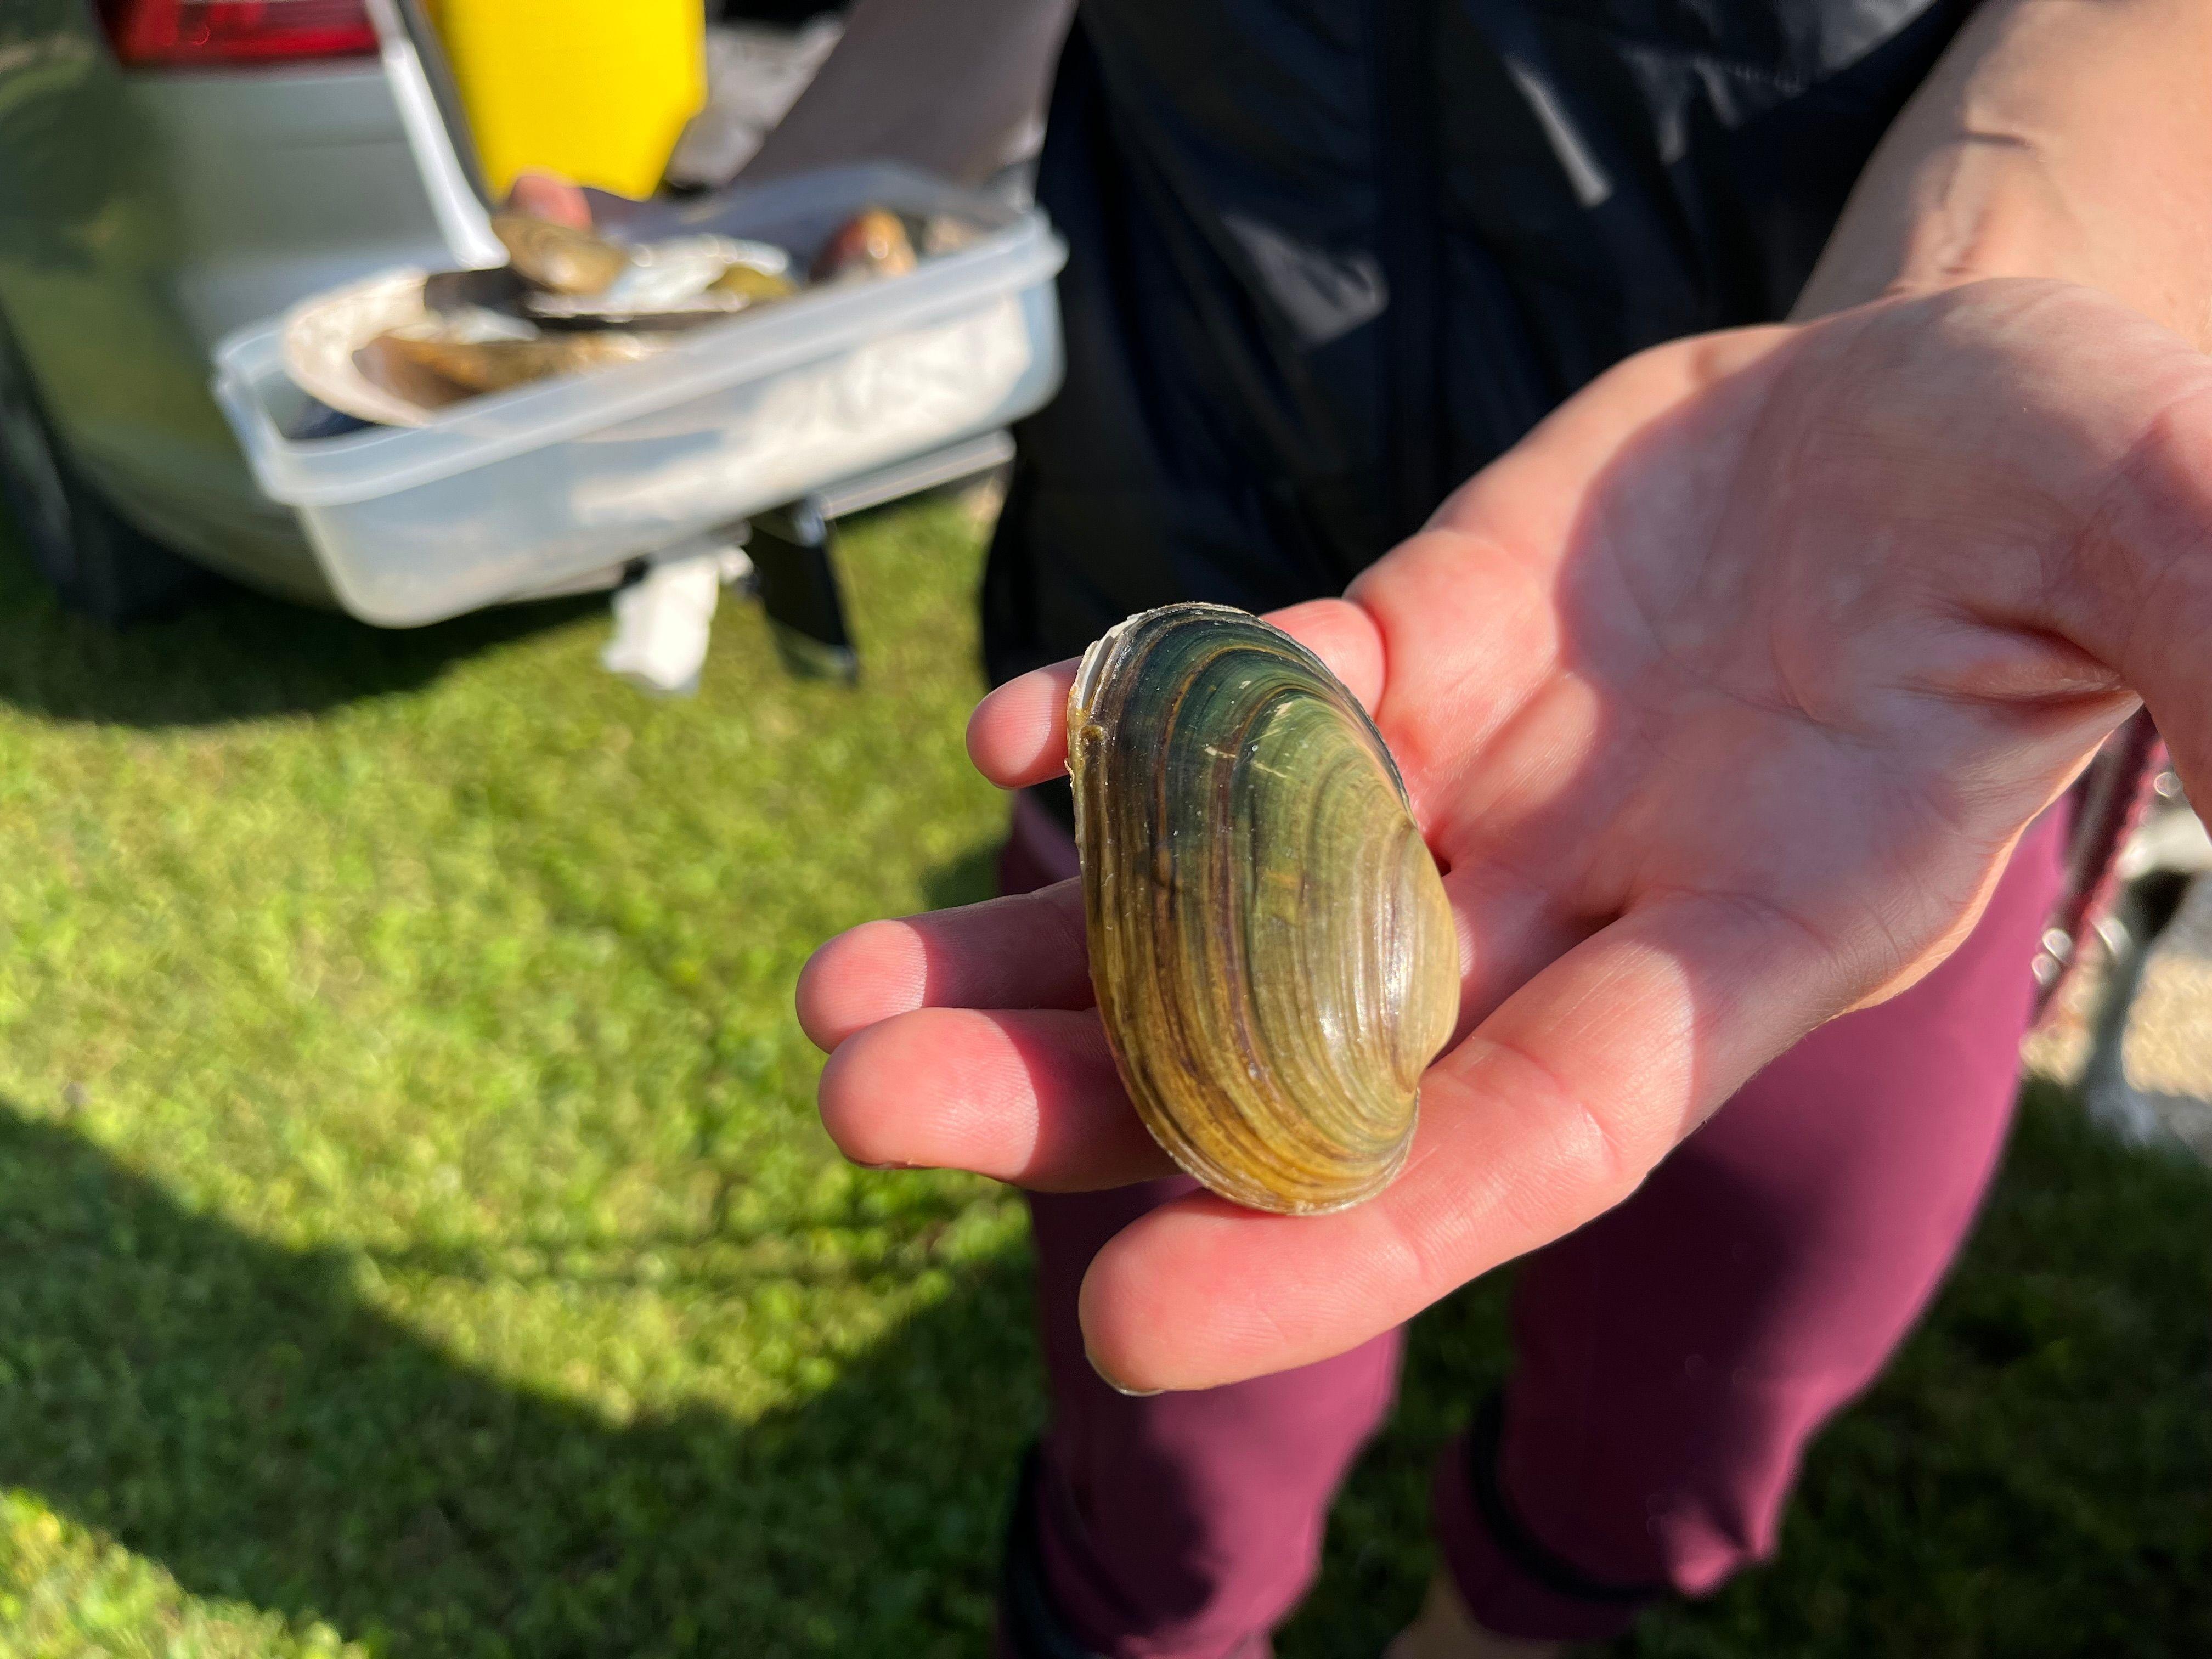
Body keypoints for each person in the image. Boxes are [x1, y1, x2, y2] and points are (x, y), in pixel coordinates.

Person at [490, 0, 2211, 1651]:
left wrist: (1944, 302)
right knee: (1181, 1415)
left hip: (1819, 677)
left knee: (1701, 1387)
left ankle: (1512, 1630)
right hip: (1191, 537)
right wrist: (807, 209)